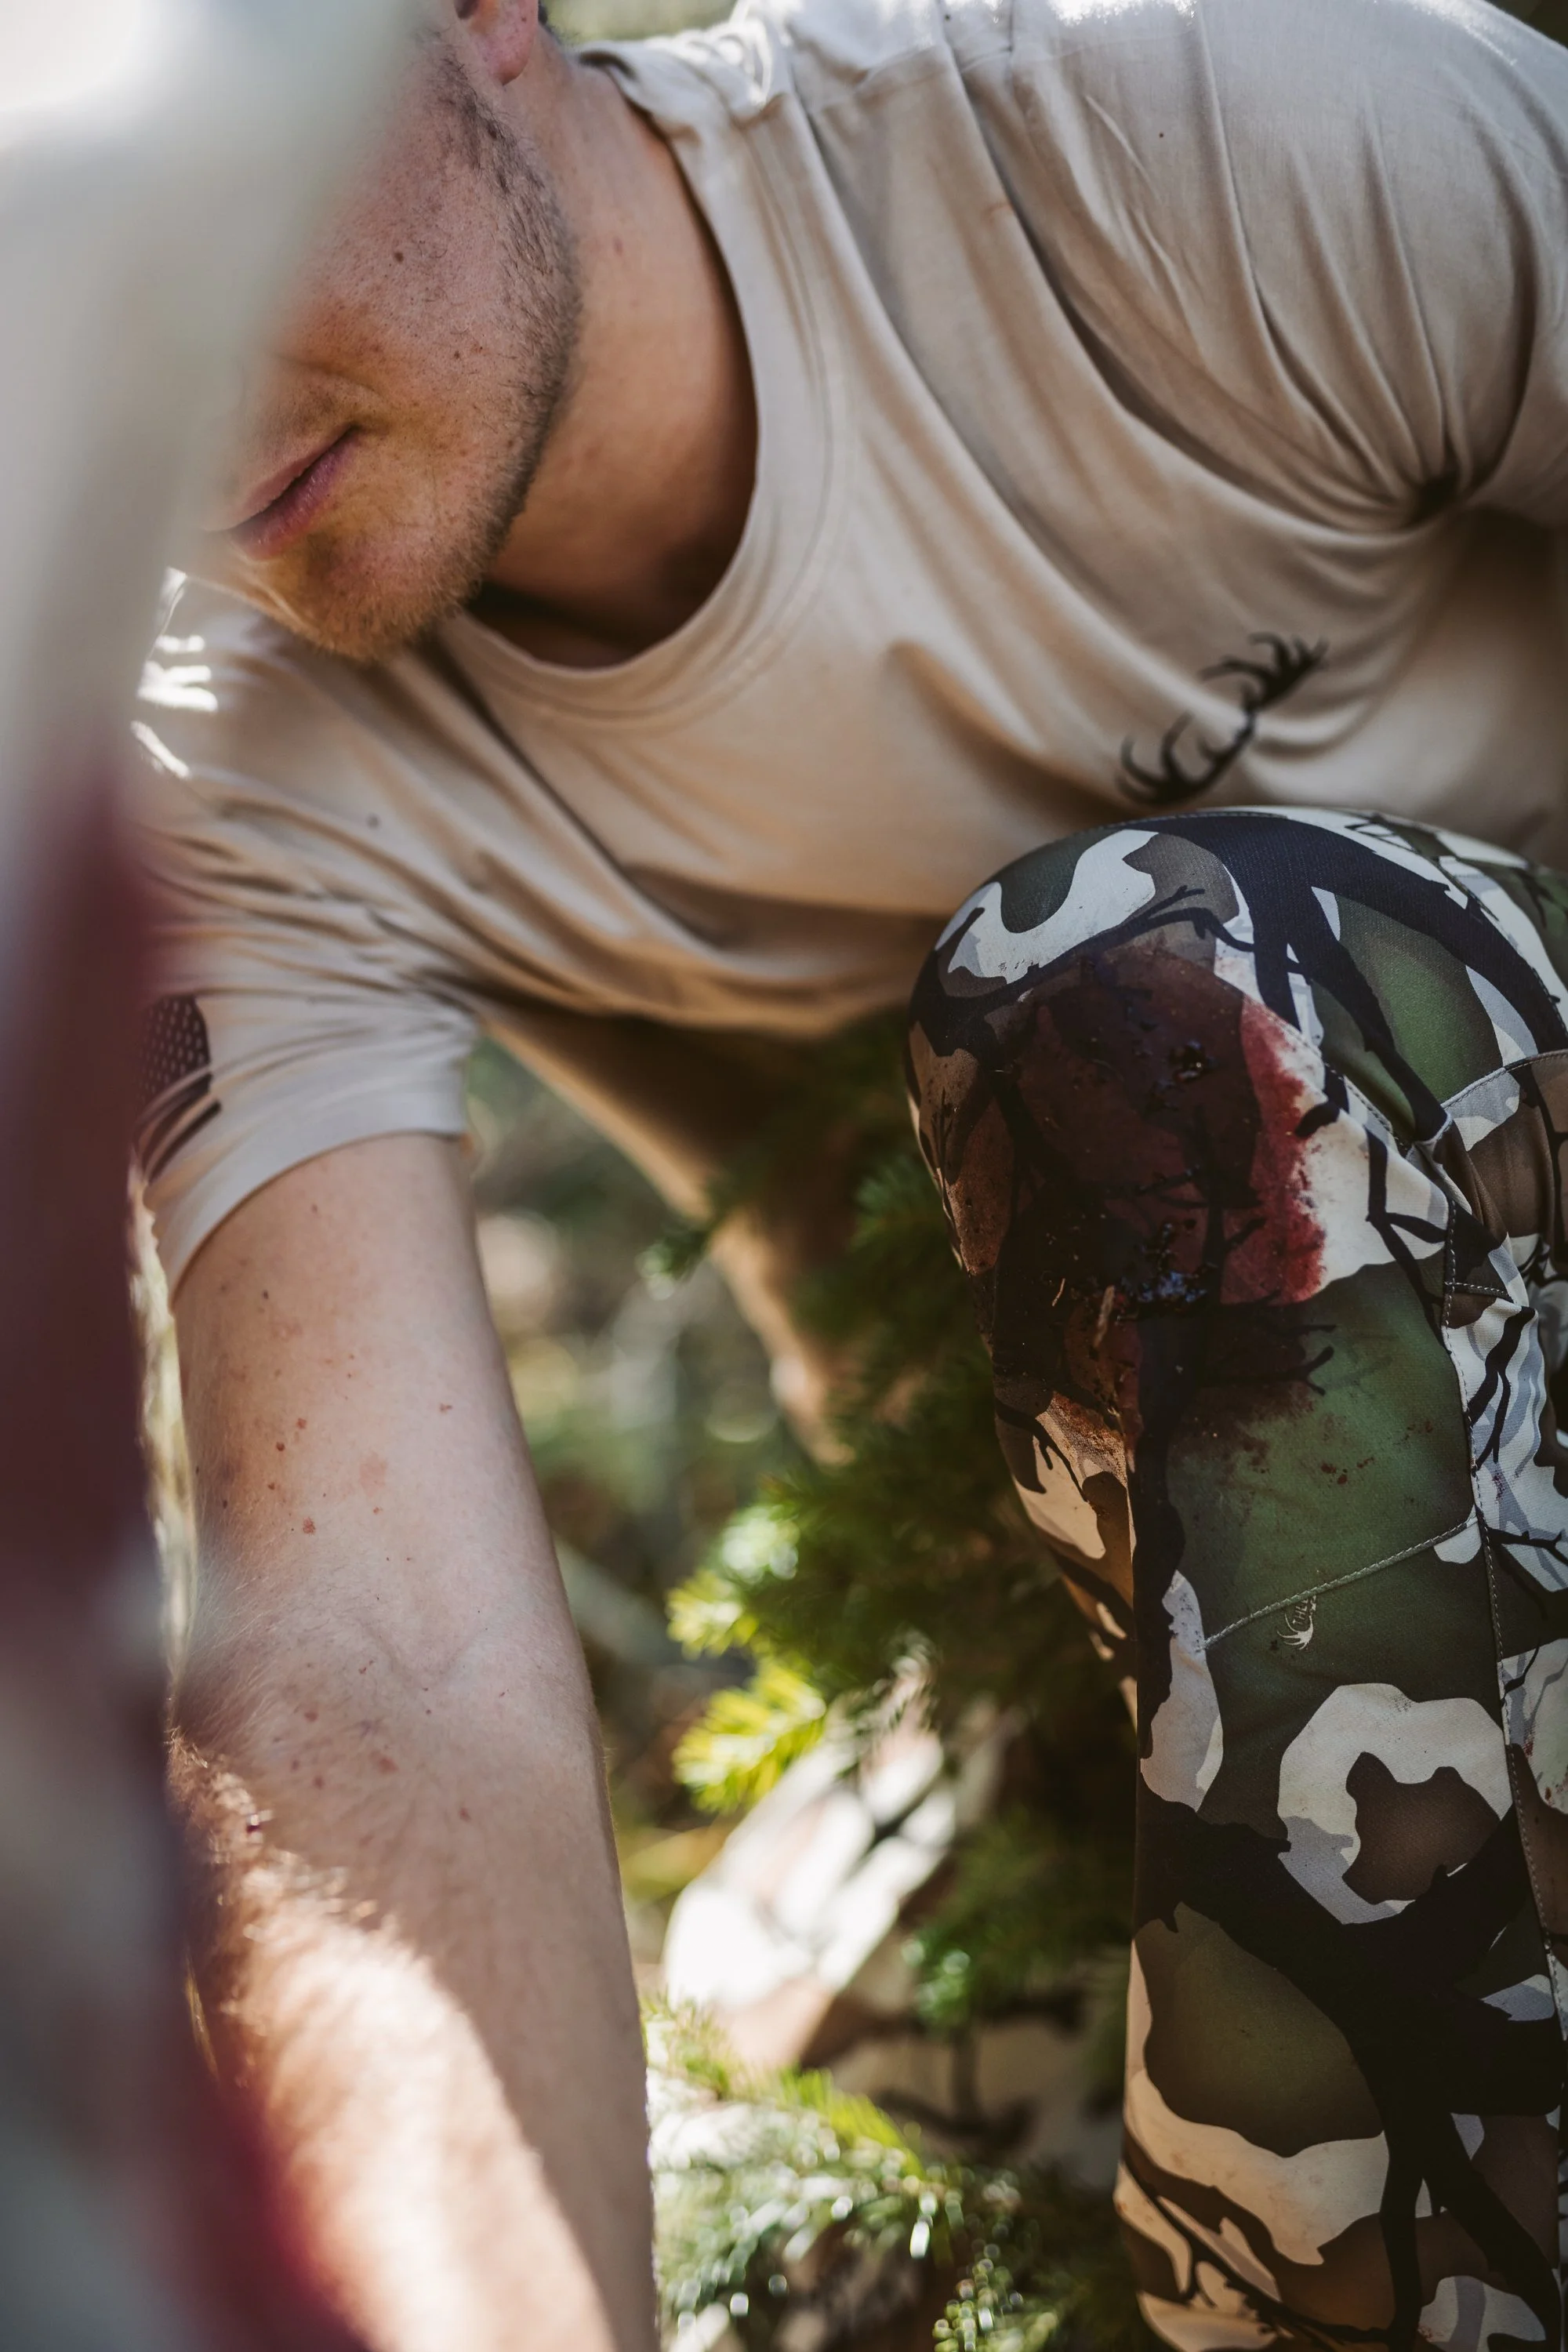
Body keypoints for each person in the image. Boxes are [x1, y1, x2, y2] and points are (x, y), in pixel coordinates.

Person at [131, 0, 1568, 2341]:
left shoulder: (1195, 133)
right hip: (1264, 1518)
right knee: (797, 2156)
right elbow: (377, 1666)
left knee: (1148, 994)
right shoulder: (228, 760)